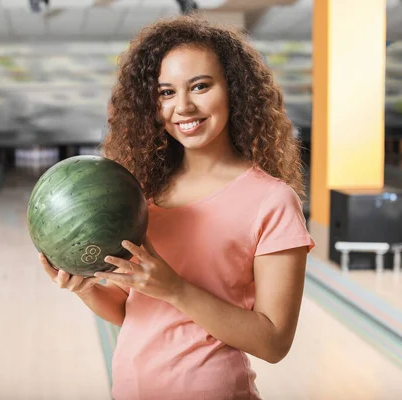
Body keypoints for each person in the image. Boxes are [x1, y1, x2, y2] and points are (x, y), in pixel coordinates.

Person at [39, 12, 315, 400]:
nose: (183, 106)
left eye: (200, 86)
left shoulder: (272, 201)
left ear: (233, 89)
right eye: (166, 92)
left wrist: (176, 290)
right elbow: (129, 312)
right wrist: (84, 288)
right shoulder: (141, 195)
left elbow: (273, 342)